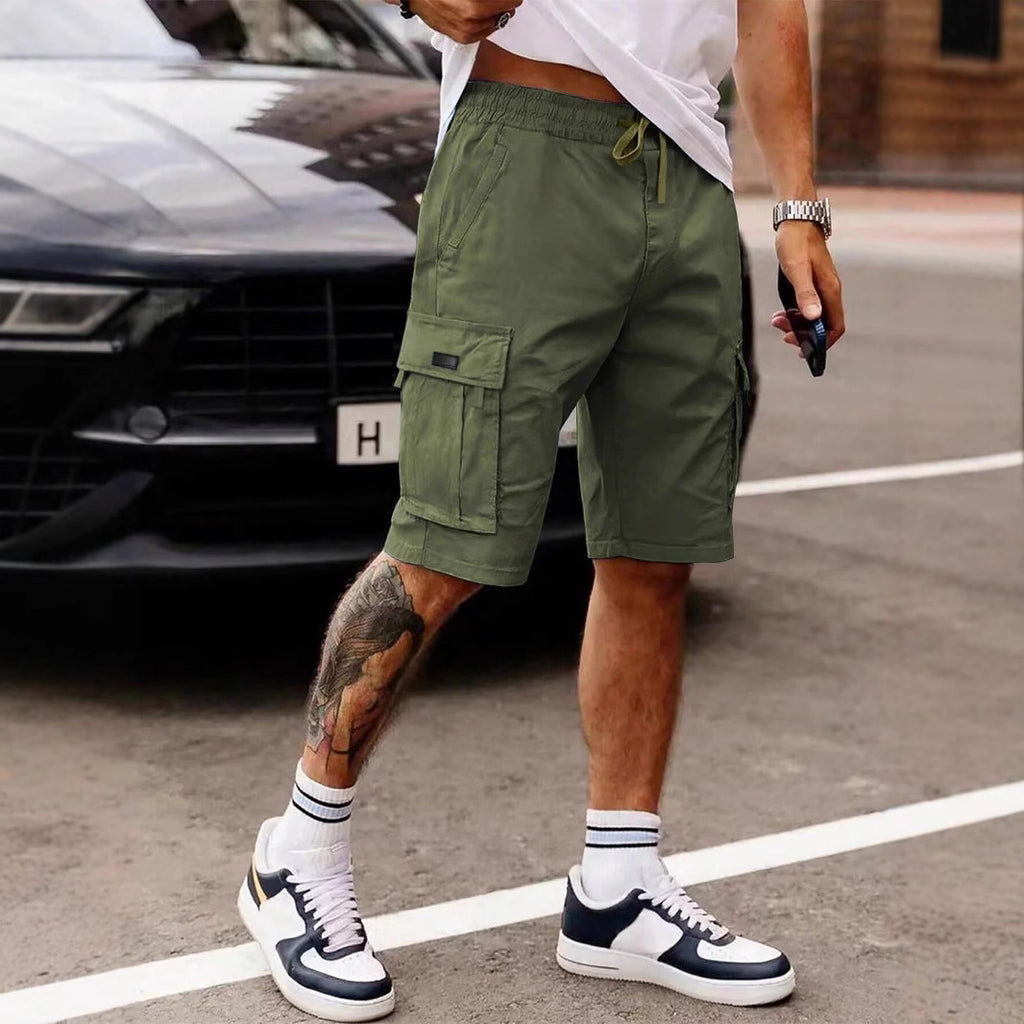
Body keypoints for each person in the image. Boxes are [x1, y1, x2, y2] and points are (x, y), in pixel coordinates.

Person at [237, 1, 846, 1020]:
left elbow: (765, 9)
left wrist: (798, 207)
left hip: (689, 170)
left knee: (656, 550)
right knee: (445, 542)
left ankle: (617, 886)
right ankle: (296, 853)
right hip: (523, 147)